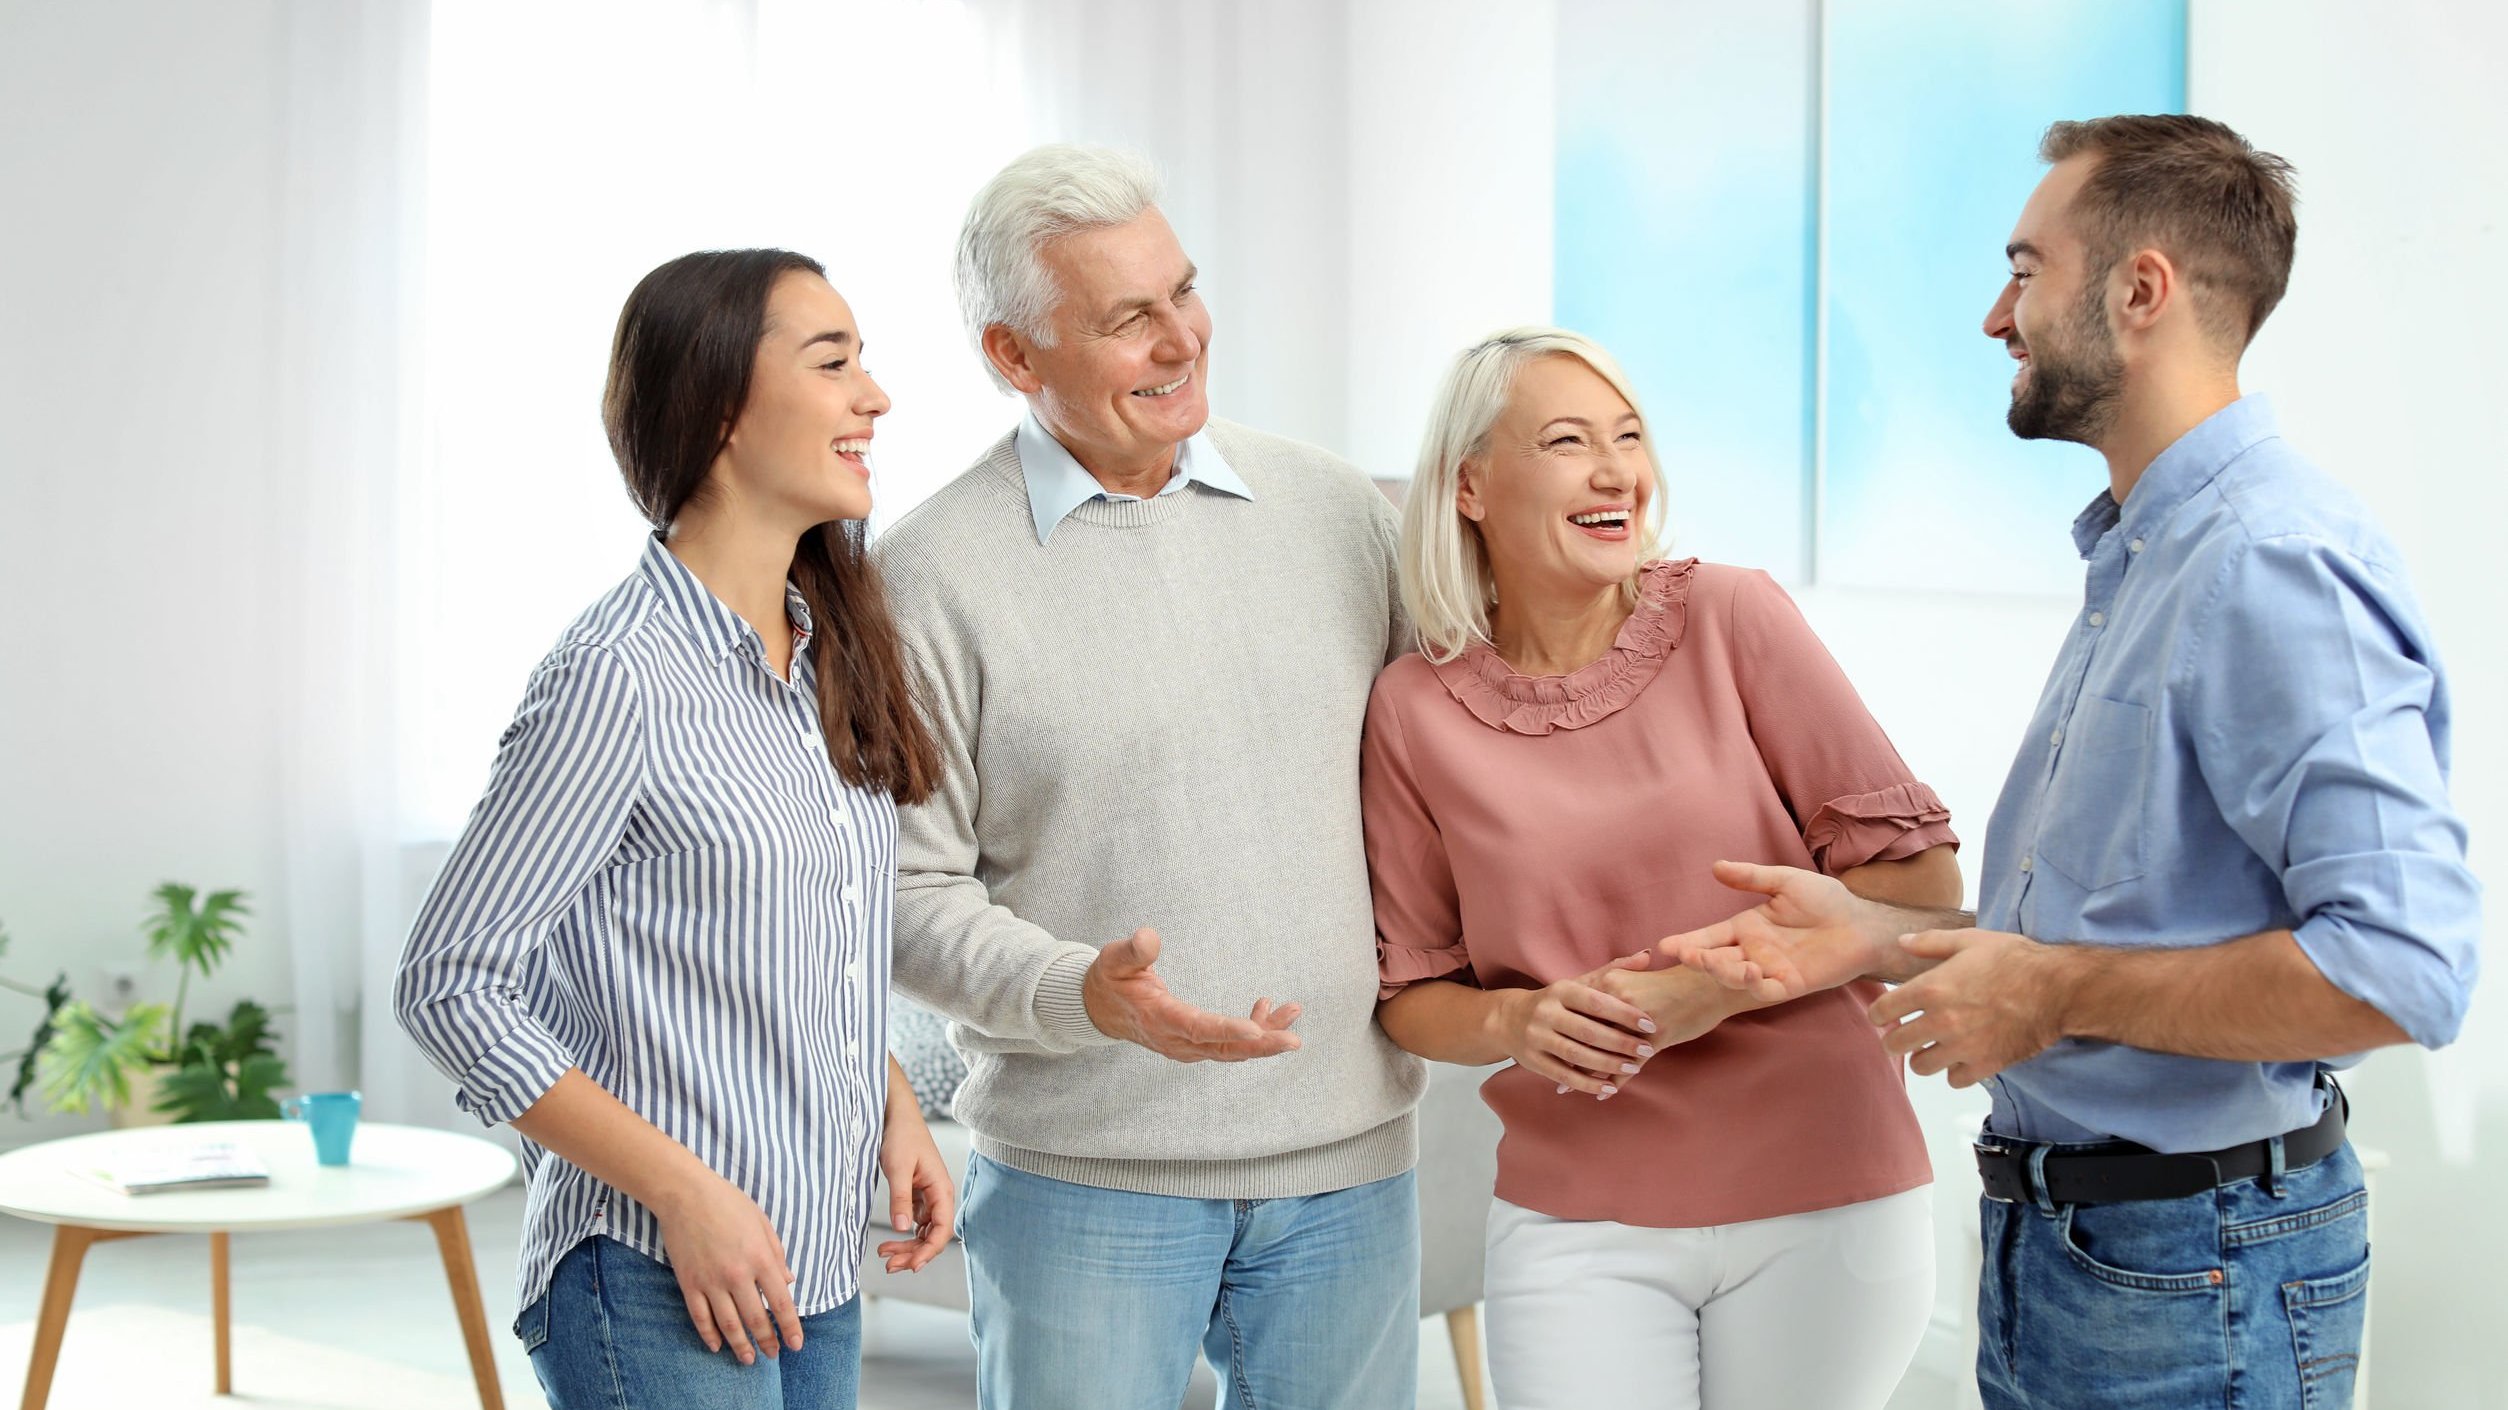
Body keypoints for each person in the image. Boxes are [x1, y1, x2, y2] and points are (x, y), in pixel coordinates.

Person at [1657, 116, 2482, 1410]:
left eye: (2027, 267)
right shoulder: (2145, 558)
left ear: (2140, 290)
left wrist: (2050, 990)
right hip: (2089, 1249)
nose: (1999, 312)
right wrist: (1871, 936)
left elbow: (2400, 970)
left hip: (2195, 1267)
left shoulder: (2267, 560)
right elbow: (2125, 930)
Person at [874, 144, 1423, 1408]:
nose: (1181, 339)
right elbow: (901, 894)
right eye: (1129, 318)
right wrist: (1084, 992)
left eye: (1183, 290)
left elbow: (1449, 781)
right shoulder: (927, 579)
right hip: (1084, 1183)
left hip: (1351, 1165)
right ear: (1013, 356)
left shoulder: (1340, 515)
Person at [1363, 326, 1965, 1409]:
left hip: (1822, 1187)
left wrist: (1702, 992)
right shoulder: (1415, 709)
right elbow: (1413, 997)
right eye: (1567, 441)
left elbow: (1925, 896)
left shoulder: (1734, 619)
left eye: (1629, 437)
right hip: (1575, 1211)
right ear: (1469, 486)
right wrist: (1517, 1022)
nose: (1615, 471)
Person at [394, 250, 956, 1409]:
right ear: (720, 412)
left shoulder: (821, 658)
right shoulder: (618, 677)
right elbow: (450, 981)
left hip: (814, 1259)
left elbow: (796, 942)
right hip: (652, 1271)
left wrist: (895, 1108)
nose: (877, 396)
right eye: (834, 361)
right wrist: (685, 1194)